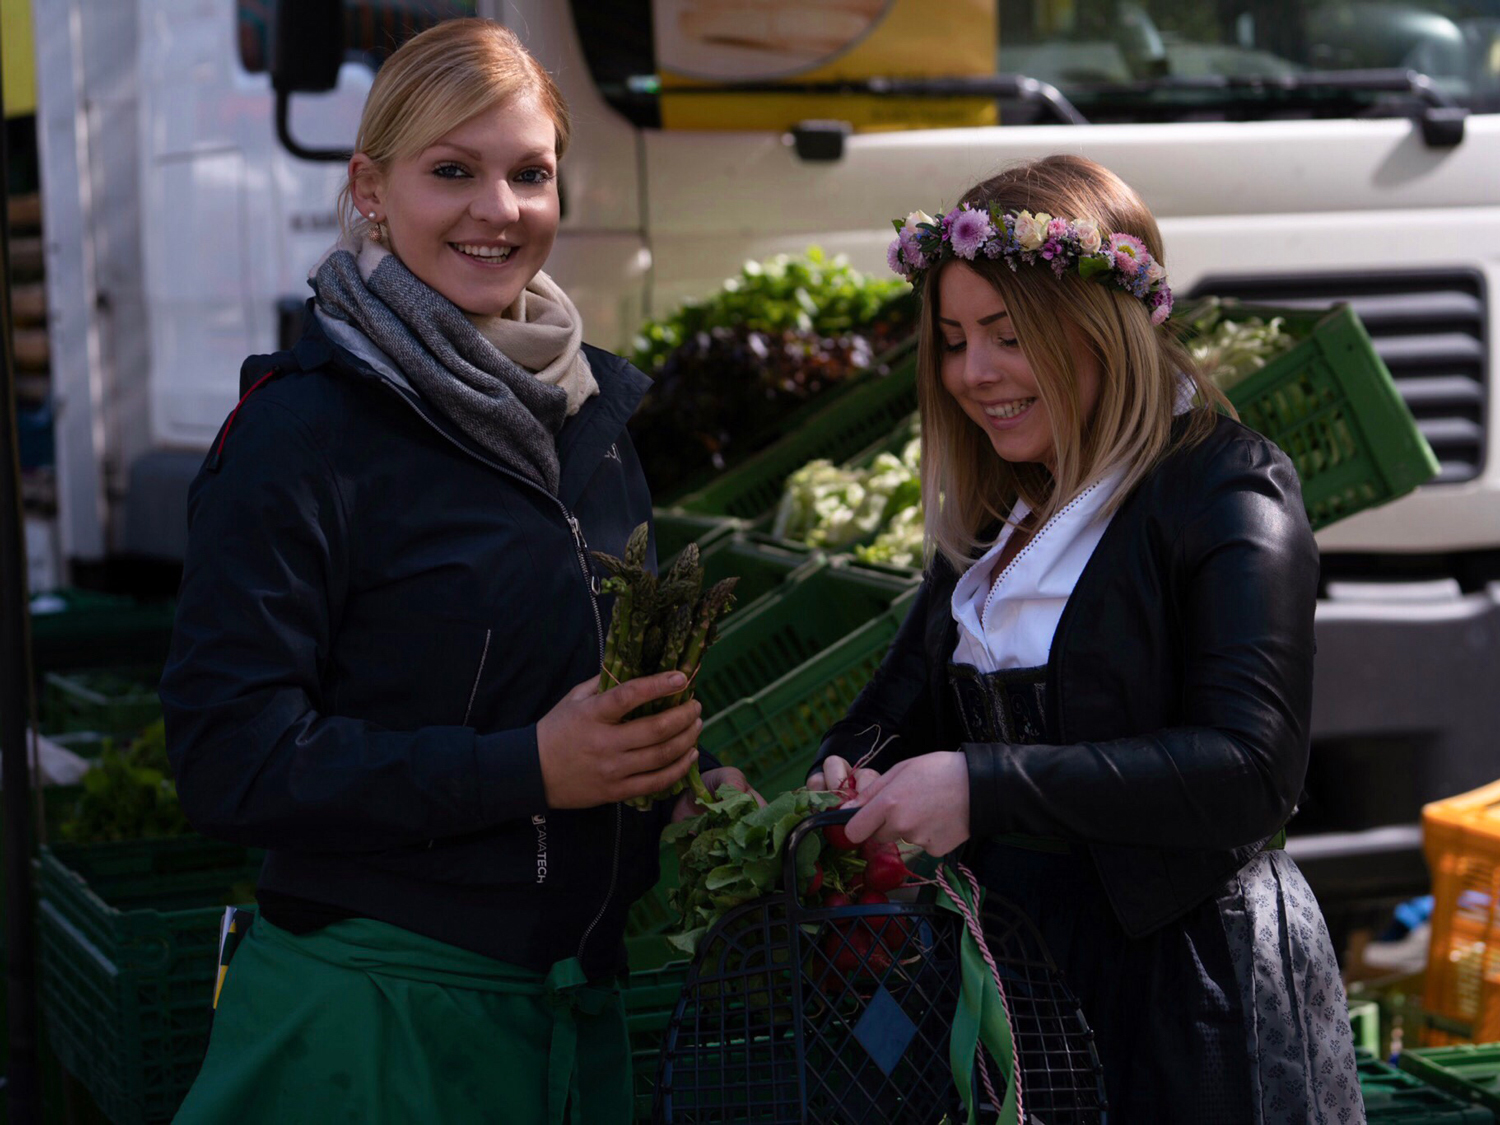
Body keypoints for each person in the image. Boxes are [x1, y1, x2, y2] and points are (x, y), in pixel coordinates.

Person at [161, 19, 752, 1124]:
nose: (499, 209)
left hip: (568, 1024)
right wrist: (526, 770)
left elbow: (566, 676)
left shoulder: (590, 416)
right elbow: (226, 760)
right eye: (453, 172)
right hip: (371, 1034)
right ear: (371, 189)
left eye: (531, 173)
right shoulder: (301, 434)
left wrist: (684, 774)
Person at [810, 155, 1365, 1122]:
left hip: (1182, 992)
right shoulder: (1000, 512)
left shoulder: (1226, 485)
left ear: (1101, 328)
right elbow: (894, 711)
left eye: (1009, 335)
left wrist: (982, 785)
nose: (973, 374)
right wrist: (849, 775)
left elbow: (1250, 766)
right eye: (952, 340)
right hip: (1013, 974)